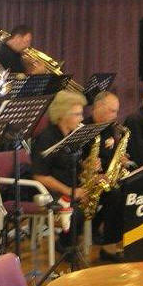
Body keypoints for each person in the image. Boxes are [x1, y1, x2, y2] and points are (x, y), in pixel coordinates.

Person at [32, 90, 89, 252]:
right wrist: (70, 191)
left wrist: (88, 165)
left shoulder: (73, 136)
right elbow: (40, 176)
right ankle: (66, 245)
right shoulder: (46, 138)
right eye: (77, 114)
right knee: (77, 212)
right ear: (63, 115)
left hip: (71, 186)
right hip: (50, 191)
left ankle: (77, 242)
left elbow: (74, 164)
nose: (82, 118)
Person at [85, 91, 125, 261]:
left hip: (107, 177)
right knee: (115, 194)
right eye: (112, 111)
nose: (115, 116)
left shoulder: (108, 127)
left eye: (117, 111)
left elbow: (110, 153)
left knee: (130, 185)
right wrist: (91, 168)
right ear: (99, 107)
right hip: (88, 180)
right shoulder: (84, 129)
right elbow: (81, 161)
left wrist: (120, 158)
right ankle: (109, 246)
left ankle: (110, 235)